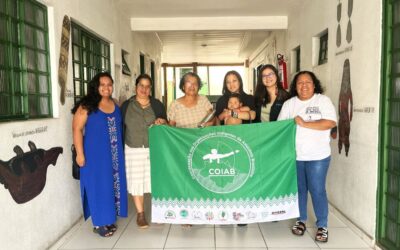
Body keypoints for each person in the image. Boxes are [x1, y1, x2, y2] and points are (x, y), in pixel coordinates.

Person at [278, 71, 337, 243]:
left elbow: (330, 123)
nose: (303, 86)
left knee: (317, 190)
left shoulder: (322, 101)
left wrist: (304, 123)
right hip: (295, 156)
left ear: (314, 84)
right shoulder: (289, 104)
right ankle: (301, 220)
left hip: (318, 156)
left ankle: (322, 225)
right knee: (299, 190)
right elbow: (281, 128)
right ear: (295, 86)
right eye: (299, 83)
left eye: (307, 82)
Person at [72, 72, 128, 237]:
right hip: (95, 155)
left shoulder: (115, 104)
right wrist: (79, 154)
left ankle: (108, 218)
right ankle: (99, 223)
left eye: (109, 84)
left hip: (114, 155)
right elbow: (76, 129)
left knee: (109, 186)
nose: (106, 88)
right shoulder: (86, 106)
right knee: (97, 186)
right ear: (96, 87)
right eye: (102, 84)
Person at [121, 74, 167, 229]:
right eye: (141, 85)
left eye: (148, 86)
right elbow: (121, 127)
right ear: (136, 87)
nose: (144, 89)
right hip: (132, 148)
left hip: (153, 148)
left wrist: (162, 121)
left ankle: (159, 212)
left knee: (156, 181)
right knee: (136, 182)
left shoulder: (157, 105)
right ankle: (140, 214)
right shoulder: (127, 105)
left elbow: (165, 124)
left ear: (150, 89)